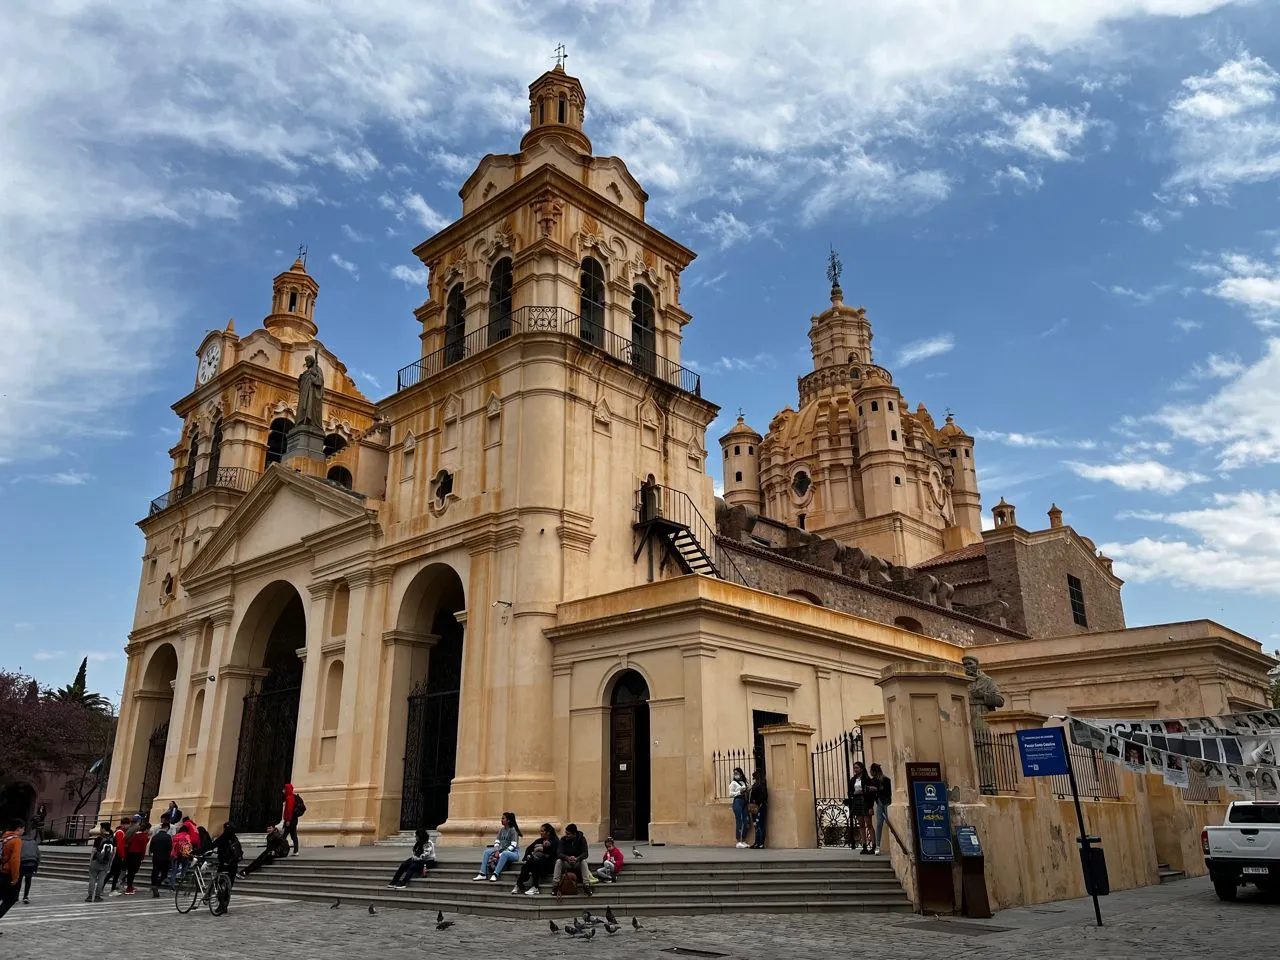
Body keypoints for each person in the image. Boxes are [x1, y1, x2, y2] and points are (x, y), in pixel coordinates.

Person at [474, 812, 522, 882]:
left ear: (508, 820)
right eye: (501, 818)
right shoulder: (501, 830)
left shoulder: (513, 830)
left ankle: (495, 874)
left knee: (505, 854)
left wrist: (499, 854)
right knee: (486, 852)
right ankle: (482, 873)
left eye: (503, 818)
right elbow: (497, 842)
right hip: (501, 850)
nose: (501, 820)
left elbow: (513, 846)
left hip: (513, 853)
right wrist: (496, 850)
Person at [512, 823, 558, 896]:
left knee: (536, 863)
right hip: (537, 863)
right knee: (526, 865)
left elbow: (553, 853)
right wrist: (528, 856)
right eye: (540, 831)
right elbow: (529, 849)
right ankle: (518, 884)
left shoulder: (555, 841)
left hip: (549, 865)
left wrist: (542, 849)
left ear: (548, 832)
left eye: (542, 831)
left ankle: (535, 887)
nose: (541, 833)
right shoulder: (539, 840)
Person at [552, 822, 595, 893]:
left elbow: (585, 854)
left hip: (577, 862)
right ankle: (555, 885)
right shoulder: (563, 840)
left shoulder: (582, 839)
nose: (566, 835)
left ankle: (586, 885)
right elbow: (559, 853)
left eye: (568, 834)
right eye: (566, 833)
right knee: (558, 861)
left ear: (574, 834)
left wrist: (577, 858)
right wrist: (567, 858)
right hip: (566, 862)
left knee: (584, 862)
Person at [210, 823, 242, 916]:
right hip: (233, 865)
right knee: (228, 887)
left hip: (224, 864)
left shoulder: (223, 838)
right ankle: (225, 906)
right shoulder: (235, 838)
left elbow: (212, 845)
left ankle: (221, 905)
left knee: (219, 885)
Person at [846, 761, 875, 854]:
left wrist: (871, 806)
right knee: (861, 824)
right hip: (857, 801)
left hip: (865, 801)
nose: (855, 769)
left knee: (869, 824)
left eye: (857, 767)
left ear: (861, 769)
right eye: (854, 768)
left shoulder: (867, 779)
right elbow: (849, 792)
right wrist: (853, 793)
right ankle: (864, 845)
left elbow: (871, 793)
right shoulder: (853, 779)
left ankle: (874, 845)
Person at [0, 819, 22, 925]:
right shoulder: (16, 841)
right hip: (7, 874)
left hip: (0, 871)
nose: (23, 831)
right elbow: (15, 860)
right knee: (10, 899)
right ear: (18, 829)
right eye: (23, 829)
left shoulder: (3, 838)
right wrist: (15, 878)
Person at [87, 821, 114, 903]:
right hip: (106, 862)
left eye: (100, 828)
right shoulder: (112, 838)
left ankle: (90, 896)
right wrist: (110, 861)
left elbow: (94, 850)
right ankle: (98, 896)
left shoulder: (99, 838)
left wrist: (91, 860)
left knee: (92, 878)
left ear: (103, 828)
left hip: (96, 861)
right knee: (101, 879)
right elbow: (114, 851)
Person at [869, 762, 892, 855]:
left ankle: (893, 845)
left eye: (871, 770)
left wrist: (876, 790)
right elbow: (871, 794)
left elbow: (888, 792)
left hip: (886, 802)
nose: (870, 772)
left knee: (890, 823)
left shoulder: (886, 780)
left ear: (875, 771)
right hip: (879, 803)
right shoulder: (872, 781)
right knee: (879, 824)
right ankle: (877, 846)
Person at [124, 820, 150, 894]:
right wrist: (142, 858)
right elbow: (143, 848)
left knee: (130, 871)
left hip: (130, 854)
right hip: (137, 855)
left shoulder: (135, 834)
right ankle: (129, 888)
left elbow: (129, 842)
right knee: (133, 871)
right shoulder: (143, 836)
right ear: (146, 829)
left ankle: (130, 886)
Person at [168, 820, 195, 888]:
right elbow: (189, 845)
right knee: (185, 865)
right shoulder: (187, 836)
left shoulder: (176, 836)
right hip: (183, 855)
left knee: (174, 870)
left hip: (175, 855)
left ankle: (172, 884)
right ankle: (182, 878)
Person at [149, 821, 172, 898]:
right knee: (164, 873)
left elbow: (151, 849)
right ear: (167, 828)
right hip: (165, 858)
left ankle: (154, 885)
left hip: (156, 857)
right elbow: (170, 848)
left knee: (155, 872)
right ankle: (157, 884)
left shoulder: (155, 837)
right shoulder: (168, 837)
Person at [106, 818, 129, 895]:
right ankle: (109, 888)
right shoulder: (120, 832)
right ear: (123, 824)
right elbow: (119, 846)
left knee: (115, 873)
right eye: (126, 824)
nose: (127, 826)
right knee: (113, 873)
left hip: (118, 855)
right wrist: (122, 856)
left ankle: (113, 888)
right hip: (118, 856)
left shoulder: (121, 832)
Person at [729, 767, 750, 848]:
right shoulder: (733, 783)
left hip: (744, 801)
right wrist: (739, 792)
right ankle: (738, 841)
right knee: (739, 820)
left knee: (746, 820)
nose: (736, 775)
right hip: (738, 801)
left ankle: (743, 840)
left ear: (741, 773)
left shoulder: (743, 782)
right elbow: (730, 794)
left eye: (737, 773)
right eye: (734, 773)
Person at [19, 825, 40, 904]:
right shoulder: (34, 842)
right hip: (32, 862)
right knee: (28, 880)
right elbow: (38, 855)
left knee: (19, 880)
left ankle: (16, 896)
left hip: (22, 862)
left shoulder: (19, 841)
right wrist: (36, 865)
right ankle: (25, 896)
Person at [748, 770, 769, 849]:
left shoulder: (761, 786)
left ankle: (761, 843)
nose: (753, 778)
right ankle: (756, 842)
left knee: (760, 825)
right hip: (754, 808)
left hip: (760, 807)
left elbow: (764, 796)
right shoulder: (754, 786)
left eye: (754, 777)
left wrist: (756, 801)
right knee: (756, 825)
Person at [280, 784, 302, 856]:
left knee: (284, 836)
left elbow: (289, 810)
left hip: (290, 820)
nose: (283, 790)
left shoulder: (289, 798)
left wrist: (288, 820)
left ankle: (281, 850)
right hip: (294, 820)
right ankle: (296, 851)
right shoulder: (293, 797)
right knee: (293, 835)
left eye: (284, 789)